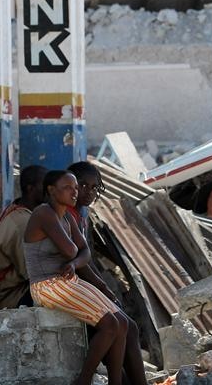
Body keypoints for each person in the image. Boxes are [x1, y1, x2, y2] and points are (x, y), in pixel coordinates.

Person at [24, 170, 128, 385]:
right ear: (51, 191)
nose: (75, 192)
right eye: (67, 188)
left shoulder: (67, 216)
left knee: (122, 322)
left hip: (66, 280)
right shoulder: (44, 213)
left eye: (75, 188)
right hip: (46, 285)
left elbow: (85, 253)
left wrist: (73, 263)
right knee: (109, 325)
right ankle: (83, 380)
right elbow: (72, 249)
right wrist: (74, 257)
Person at [68, 161, 147, 385]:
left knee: (128, 326)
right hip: (66, 287)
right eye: (82, 185)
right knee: (122, 326)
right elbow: (78, 262)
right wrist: (102, 288)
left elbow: (86, 258)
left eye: (94, 187)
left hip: (82, 285)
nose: (88, 192)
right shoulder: (65, 215)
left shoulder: (81, 214)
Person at [0, 165, 48, 310]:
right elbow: (34, 273)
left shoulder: (23, 213)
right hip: (15, 297)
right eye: (45, 185)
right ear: (30, 188)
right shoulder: (23, 224)